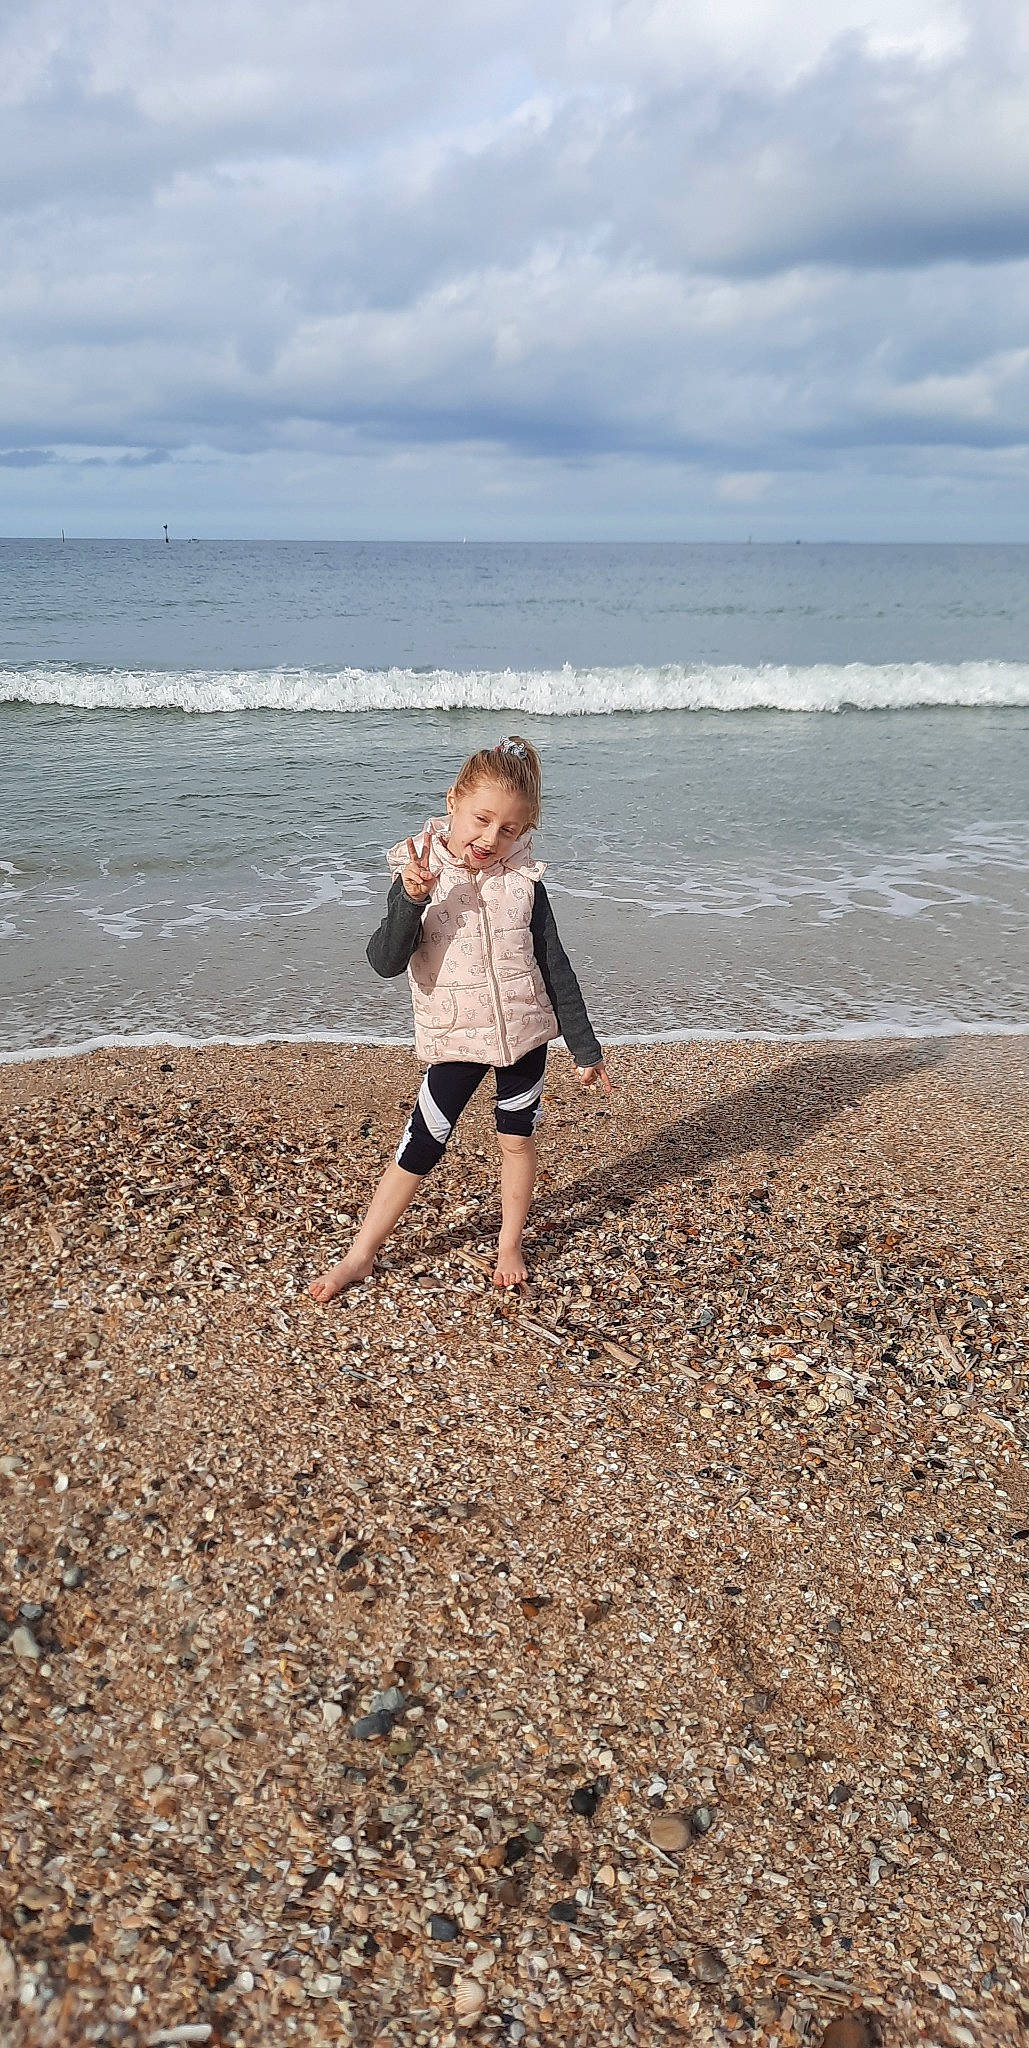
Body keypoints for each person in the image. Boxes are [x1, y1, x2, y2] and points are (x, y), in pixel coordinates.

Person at [310, 736, 611, 1301]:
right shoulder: (419, 872)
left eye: (509, 830)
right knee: (422, 1141)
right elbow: (384, 961)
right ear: (453, 801)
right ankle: (361, 1255)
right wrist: (410, 898)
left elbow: (555, 964)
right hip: (454, 1036)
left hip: (525, 1035)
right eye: (481, 819)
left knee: (517, 1139)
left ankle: (509, 1243)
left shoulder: (524, 880)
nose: (490, 839)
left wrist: (585, 1047)